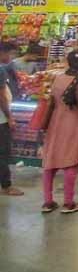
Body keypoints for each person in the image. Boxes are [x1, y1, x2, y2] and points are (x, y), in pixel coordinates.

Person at [40, 48, 78, 214]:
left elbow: (51, 102)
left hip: (55, 122)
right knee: (71, 162)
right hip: (74, 123)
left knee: (51, 161)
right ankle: (68, 203)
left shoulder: (59, 78)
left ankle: (48, 202)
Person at [0, 41, 22, 197]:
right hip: (0, 119)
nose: (12, 57)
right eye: (11, 53)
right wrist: (10, 117)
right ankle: (6, 186)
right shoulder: (0, 70)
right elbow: (1, 97)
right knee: (2, 153)